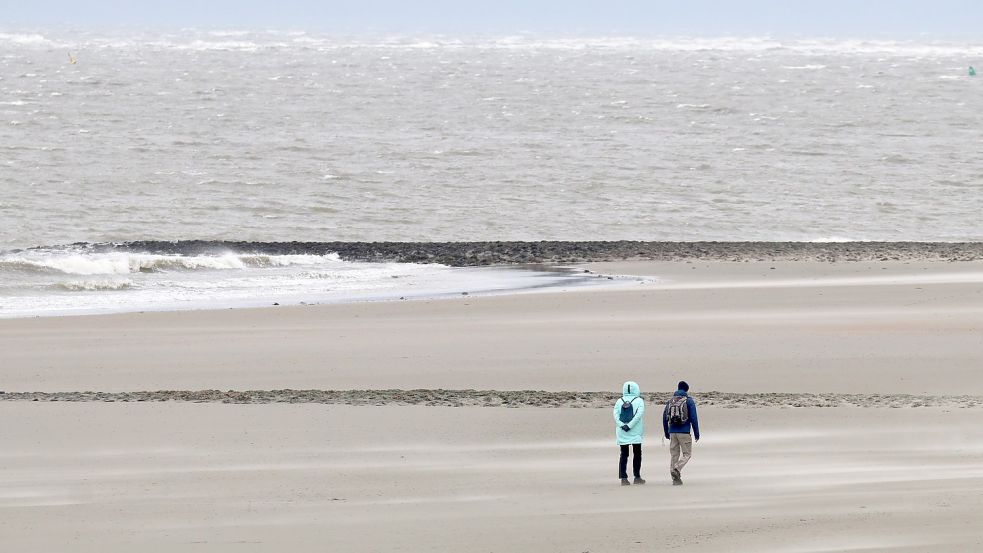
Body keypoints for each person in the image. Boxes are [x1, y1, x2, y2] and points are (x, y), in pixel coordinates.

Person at [663, 380, 700, 485]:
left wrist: (666, 432)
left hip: (672, 432)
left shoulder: (670, 401)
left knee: (674, 455)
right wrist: (696, 433)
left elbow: (664, 417)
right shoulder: (688, 401)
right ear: (686, 390)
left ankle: (675, 479)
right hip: (684, 432)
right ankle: (677, 469)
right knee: (687, 454)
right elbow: (693, 418)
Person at [612, 380, 646, 486]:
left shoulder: (619, 401)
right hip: (635, 432)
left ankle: (623, 478)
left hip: (622, 432)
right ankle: (637, 476)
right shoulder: (639, 400)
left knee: (624, 454)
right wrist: (630, 426)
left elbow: (615, 415)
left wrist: (622, 425)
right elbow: (638, 415)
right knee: (637, 454)